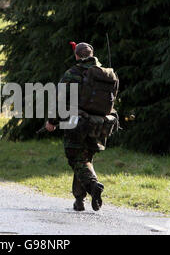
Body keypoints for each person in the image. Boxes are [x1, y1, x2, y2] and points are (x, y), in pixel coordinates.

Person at [46, 42, 117, 212]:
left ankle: (93, 187)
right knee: (85, 158)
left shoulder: (72, 73)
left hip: (75, 122)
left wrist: (52, 121)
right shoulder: (107, 74)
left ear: (77, 55)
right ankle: (79, 200)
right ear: (92, 54)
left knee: (76, 158)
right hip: (99, 123)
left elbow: (59, 100)